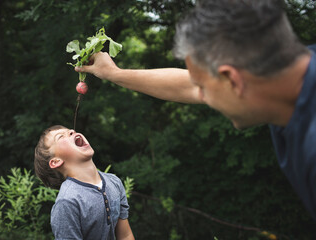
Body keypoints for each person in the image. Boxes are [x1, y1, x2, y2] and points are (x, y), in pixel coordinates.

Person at [75, 0, 316, 221]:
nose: (198, 95)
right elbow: (187, 84)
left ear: (232, 80)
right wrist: (114, 74)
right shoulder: (286, 75)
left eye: (203, 88)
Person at [34, 125, 135, 240]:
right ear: (56, 161)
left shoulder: (114, 182)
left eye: (70, 131)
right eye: (61, 137)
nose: (72, 131)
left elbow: (125, 235)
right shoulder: (67, 202)